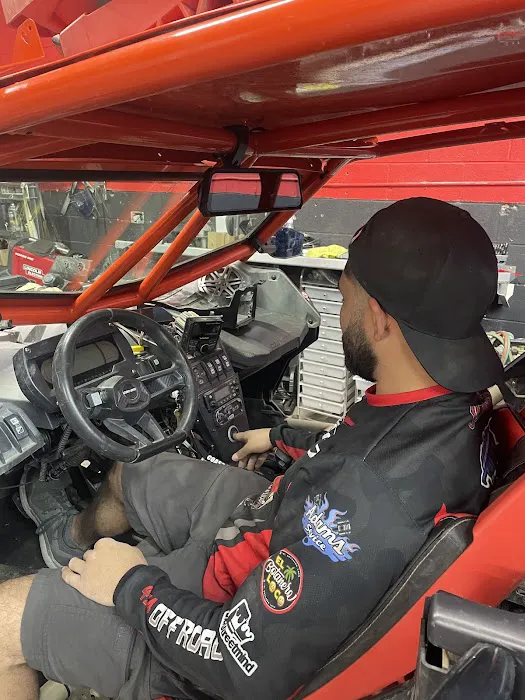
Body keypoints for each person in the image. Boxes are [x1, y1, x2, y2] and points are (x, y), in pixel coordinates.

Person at [0, 197, 503, 700]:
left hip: (221, 619)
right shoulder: (448, 402)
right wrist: (279, 437)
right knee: (133, 471)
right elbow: (356, 446)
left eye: (345, 298)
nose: (342, 313)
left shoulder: (369, 503)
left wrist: (130, 585)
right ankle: (66, 543)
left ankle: (62, 605)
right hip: (279, 519)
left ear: (377, 319)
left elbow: (242, 665)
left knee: (4, 625)